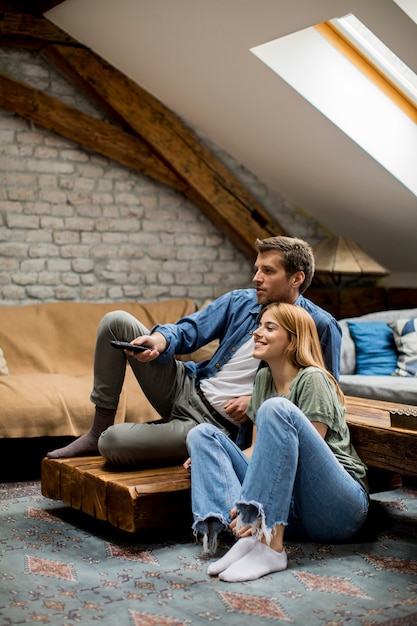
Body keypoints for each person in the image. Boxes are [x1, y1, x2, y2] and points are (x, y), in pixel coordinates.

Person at [47, 236, 342, 464]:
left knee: (112, 444)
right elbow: (190, 330)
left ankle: (173, 442)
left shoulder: (321, 326)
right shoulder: (241, 301)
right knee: (116, 322)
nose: (256, 278)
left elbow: (321, 396)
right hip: (186, 386)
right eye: (257, 269)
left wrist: (257, 401)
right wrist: (160, 341)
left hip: (212, 424)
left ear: (296, 278)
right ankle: (97, 428)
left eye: (267, 271)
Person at [184, 302, 369, 582]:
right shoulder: (264, 378)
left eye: (269, 328)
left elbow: (300, 462)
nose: (257, 333)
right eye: (259, 326)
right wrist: (214, 458)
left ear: (293, 340)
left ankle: (269, 545)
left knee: (276, 409)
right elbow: (260, 451)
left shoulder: (314, 379)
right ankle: (246, 537)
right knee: (202, 435)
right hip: (288, 511)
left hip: (338, 508)